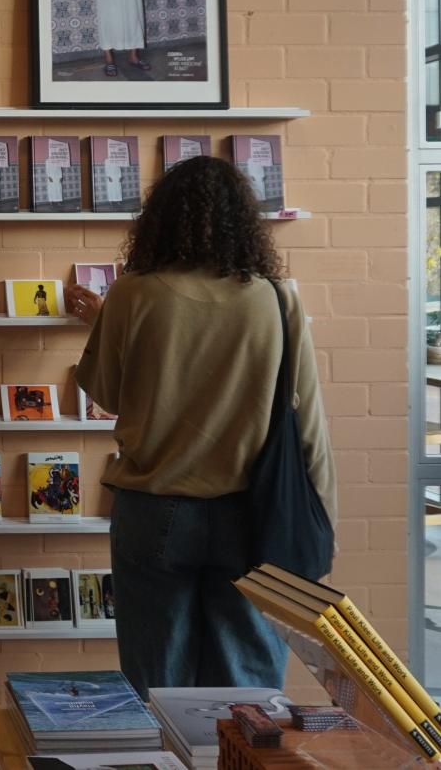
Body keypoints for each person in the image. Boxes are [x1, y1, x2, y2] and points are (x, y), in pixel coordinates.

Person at [66, 156, 336, 698]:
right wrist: (321, 519)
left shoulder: (132, 293)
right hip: (252, 513)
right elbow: (308, 422)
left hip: (153, 509)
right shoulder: (276, 299)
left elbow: (108, 393)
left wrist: (103, 322)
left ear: (160, 218)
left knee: (154, 681)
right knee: (249, 686)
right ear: (244, 221)